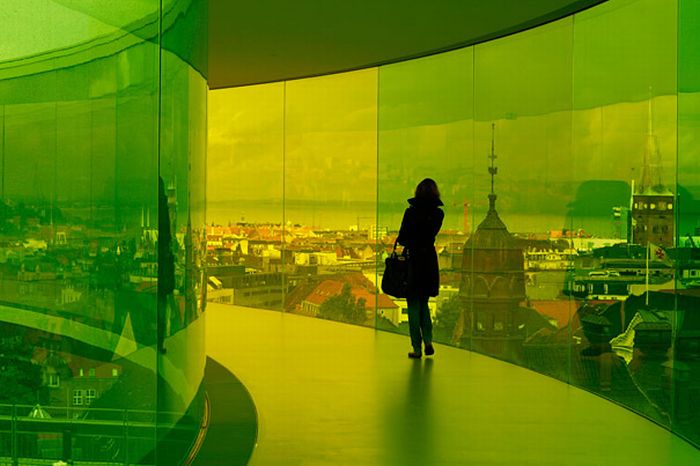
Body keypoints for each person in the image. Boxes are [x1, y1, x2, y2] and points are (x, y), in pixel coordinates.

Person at [397, 178, 444, 359]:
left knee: (413, 305)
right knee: (423, 302)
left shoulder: (411, 213)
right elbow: (430, 234)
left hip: (412, 260)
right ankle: (429, 341)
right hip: (428, 260)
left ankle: (416, 347)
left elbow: (402, 237)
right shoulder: (438, 215)